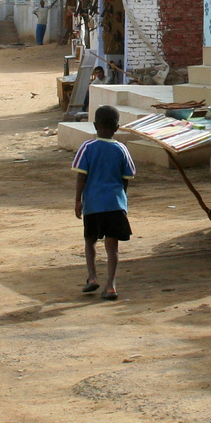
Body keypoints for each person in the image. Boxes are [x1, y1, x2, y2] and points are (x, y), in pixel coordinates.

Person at [73, 105, 135, 301]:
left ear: (95, 125)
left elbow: (81, 177)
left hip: (93, 204)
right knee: (112, 246)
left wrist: (77, 200)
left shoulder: (88, 147)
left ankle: (91, 277)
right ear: (117, 128)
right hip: (115, 204)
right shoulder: (121, 149)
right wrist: (120, 199)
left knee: (90, 240)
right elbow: (126, 177)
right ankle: (111, 285)